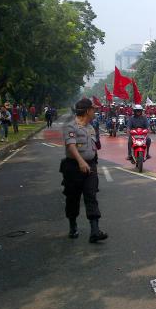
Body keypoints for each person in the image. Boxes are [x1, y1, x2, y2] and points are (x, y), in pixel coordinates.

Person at [60, 98, 108, 243]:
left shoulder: (91, 127)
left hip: (90, 167)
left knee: (91, 196)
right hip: (73, 167)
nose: (95, 111)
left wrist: (94, 162)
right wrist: (81, 162)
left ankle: (95, 231)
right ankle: (73, 225)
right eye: (93, 109)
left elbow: (94, 147)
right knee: (72, 198)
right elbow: (71, 146)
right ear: (87, 111)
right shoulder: (70, 126)